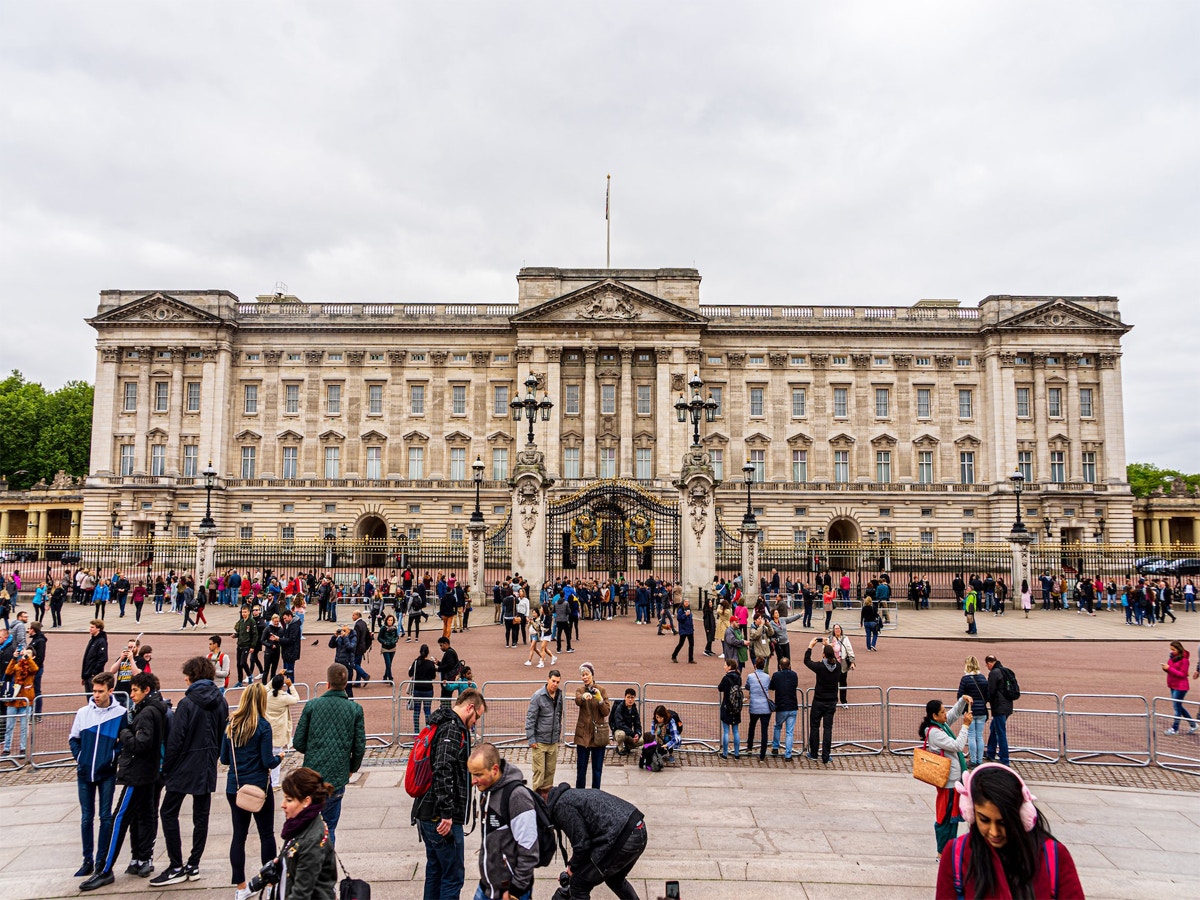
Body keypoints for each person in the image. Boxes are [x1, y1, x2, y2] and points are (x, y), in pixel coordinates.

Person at [935, 764, 1084, 899]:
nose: (994, 832)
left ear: (1022, 816)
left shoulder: (1055, 856)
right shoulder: (955, 855)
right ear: (971, 813)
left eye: (1003, 822)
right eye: (984, 820)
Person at [83, 671, 169, 890]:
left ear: (146, 690)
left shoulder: (148, 712)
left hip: (138, 774)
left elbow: (142, 743)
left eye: (134, 691)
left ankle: (105, 868)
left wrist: (125, 734)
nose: (131, 695)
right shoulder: (154, 709)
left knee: (118, 819)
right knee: (144, 815)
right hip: (147, 773)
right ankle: (141, 858)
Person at [150, 656, 228, 886]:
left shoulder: (187, 702)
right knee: (201, 816)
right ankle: (194, 864)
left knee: (167, 812)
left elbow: (176, 739)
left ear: (192, 676)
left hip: (185, 763)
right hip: (206, 763)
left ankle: (176, 865)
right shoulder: (221, 701)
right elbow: (222, 732)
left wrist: (168, 768)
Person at [412, 689, 487, 900]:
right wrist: (446, 812)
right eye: (477, 717)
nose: (475, 723)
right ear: (470, 707)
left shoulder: (440, 722)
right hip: (441, 816)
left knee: (435, 871)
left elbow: (446, 766)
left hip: (427, 810)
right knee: (453, 876)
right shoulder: (453, 729)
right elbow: (443, 767)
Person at [291, 663, 366, 846]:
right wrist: (352, 768)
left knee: (308, 824)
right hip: (337, 774)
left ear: (327, 683)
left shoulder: (312, 706)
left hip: (312, 775)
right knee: (329, 826)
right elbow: (359, 747)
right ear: (346, 683)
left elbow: (298, 742)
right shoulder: (355, 709)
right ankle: (326, 866)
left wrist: (314, 750)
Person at [220, 682, 281, 900]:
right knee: (266, 835)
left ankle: (240, 887)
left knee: (239, 836)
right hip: (258, 787)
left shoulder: (232, 723)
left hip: (235, 786)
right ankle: (271, 881)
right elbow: (268, 761)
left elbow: (225, 758)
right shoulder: (263, 726)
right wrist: (279, 758)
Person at [546, 784, 647, 900]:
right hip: (637, 827)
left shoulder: (561, 807)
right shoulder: (571, 796)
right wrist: (572, 865)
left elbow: (582, 845)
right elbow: (587, 842)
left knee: (579, 885)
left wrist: (572, 869)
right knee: (615, 879)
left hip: (622, 836)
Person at [70, 673, 127, 879]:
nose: (95, 695)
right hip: (84, 772)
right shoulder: (83, 712)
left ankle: (101, 859)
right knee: (86, 818)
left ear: (110, 691)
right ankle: (87, 859)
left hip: (106, 773)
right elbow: (73, 739)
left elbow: (122, 742)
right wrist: (80, 758)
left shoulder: (120, 713)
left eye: (100, 691)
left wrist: (112, 756)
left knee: (105, 817)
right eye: (94, 691)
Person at [469, 742, 540, 900]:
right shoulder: (486, 792)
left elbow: (529, 850)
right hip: (487, 887)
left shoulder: (517, 797)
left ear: (494, 769)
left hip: (510, 892)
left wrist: (515, 891)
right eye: (471, 774)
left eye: (478, 774)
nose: (473, 781)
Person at [919, 696, 971, 856]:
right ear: (935, 716)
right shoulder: (935, 733)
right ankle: (943, 851)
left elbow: (953, 714)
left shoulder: (939, 725)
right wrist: (966, 726)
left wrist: (962, 701)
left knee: (951, 818)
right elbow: (957, 745)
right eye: (942, 712)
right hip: (948, 780)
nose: (945, 714)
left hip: (952, 780)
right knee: (946, 817)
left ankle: (948, 849)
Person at [278, 767, 339, 900]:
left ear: (306, 801)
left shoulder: (311, 839)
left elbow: (301, 894)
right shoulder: (299, 825)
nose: (282, 805)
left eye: (289, 800)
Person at [525, 669, 565, 797]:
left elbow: (559, 715)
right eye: (553, 681)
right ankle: (536, 800)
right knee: (539, 773)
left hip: (553, 741)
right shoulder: (538, 696)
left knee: (550, 773)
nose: (555, 684)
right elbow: (530, 718)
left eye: (557, 682)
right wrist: (531, 739)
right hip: (540, 742)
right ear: (548, 679)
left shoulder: (559, 696)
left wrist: (558, 734)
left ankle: (546, 800)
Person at [573, 663, 611, 789]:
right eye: (583, 675)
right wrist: (583, 697)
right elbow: (578, 700)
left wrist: (600, 699)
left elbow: (606, 712)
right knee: (581, 770)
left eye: (587, 674)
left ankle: (596, 795)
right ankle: (579, 796)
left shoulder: (601, 690)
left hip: (598, 735)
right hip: (583, 736)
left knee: (597, 771)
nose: (585, 677)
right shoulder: (580, 690)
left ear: (592, 675)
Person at [804, 637, 841, 764]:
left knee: (815, 726)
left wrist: (810, 646)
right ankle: (826, 755)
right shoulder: (838, 667)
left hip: (819, 700)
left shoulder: (820, 667)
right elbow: (834, 660)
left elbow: (807, 661)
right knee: (828, 729)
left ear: (824, 654)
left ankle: (814, 753)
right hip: (831, 702)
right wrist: (828, 647)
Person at [265, 674, 300, 788]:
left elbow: (265, 688)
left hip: (268, 729)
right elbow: (296, 699)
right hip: (279, 730)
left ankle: (265, 780)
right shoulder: (284, 697)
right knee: (277, 757)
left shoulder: (267, 695)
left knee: (265, 755)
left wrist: (274, 679)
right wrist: (291, 686)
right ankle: (274, 783)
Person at [2, 646, 37, 757]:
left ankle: (23, 748)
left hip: (26, 699)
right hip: (14, 698)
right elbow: (8, 672)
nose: (25, 654)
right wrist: (13, 658)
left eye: (29, 653)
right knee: (9, 725)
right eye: (25, 653)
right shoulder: (18, 665)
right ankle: (7, 749)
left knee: (23, 726)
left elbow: (35, 669)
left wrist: (28, 658)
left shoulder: (31, 666)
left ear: (33, 656)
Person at [957, 656, 990, 767]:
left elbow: (960, 696)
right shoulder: (982, 678)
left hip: (970, 711)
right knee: (979, 736)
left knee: (971, 736)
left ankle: (973, 760)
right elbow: (987, 695)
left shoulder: (965, 679)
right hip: (982, 711)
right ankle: (980, 760)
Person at [1162, 640, 1198, 735]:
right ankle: (1193, 724)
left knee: (1177, 708)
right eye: (1171, 649)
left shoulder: (1185, 660)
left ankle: (1175, 728)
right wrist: (1166, 669)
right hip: (1173, 685)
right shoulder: (1172, 658)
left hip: (1181, 686)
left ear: (1179, 649)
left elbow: (1182, 674)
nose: (1171, 651)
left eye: (1173, 650)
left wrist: (1169, 668)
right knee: (1179, 707)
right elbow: (1172, 670)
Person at [983, 655, 1013, 766]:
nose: (987, 667)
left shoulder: (994, 673)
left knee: (1000, 732)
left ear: (990, 663)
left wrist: (985, 701)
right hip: (1007, 706)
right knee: (994, 728)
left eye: (987, 665)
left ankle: (1004, 759)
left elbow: (991, 690)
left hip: (999, 707)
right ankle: (990, 752)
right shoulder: (1005, 671)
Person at [769, 656, 800, 761]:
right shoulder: (794, 675)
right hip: (792, 706)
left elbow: (771, 686)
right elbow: (795, 685)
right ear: (789, 666)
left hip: (781, 706)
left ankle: (775, 747)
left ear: (780, 666)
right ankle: (788, 754)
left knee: (777, 726)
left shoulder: (776, 675)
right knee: (789, 732)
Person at [745, 656, 772, 761]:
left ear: (755, 665)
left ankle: (750, 746)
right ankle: (762, 754)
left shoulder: (751, 676)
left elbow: (747, 686)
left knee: (752, 726)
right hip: (765, 707)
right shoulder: (767, 676)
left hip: (755, 706)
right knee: (764, 731)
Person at [408, 643, 437, 735]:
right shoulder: (430, 664)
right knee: (427, 711)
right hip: (428, 689)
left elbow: (410, 673)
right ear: (428, 653)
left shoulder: (416, 662)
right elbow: (433, 676)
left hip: (417, 689)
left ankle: (416, 732)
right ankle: (428, 731)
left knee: (416, 711)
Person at [717, 658, 742, 759]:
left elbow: (720, 688)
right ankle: (736, 753)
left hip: (727, 706)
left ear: (729, 667)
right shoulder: (738, 677)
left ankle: (725, 753)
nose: (724, 667)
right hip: (736, 706)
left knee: (726, 731)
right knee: (736, 731)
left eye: (725, 665)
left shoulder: (726, 678)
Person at [827, 623, 855, 707]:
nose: (837, 630)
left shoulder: (845, 639)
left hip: (842, 663)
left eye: (838, 628)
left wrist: (852, 662)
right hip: (832, 663)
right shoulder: (830, 639)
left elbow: (849, 650)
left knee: (843, 682)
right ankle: (833, 701)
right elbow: (825, 650)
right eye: (836, 629)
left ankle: (844, 701)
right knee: (833, 683)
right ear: (833, 630)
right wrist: (829, 646)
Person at [234, 606, 259, 688]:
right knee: (238, 664)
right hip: (240, 644)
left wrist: (252, 646)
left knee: (243, 662)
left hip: (247, 645)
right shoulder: (241, 621)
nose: (243, 614)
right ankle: (239, 681)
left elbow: (255, 635)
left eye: (245, 612)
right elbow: (239, 632)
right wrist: (235, 635)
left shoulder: (251, 622)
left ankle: (249, 675)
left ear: (248, 612)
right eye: (242, 612)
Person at [80, 619, 108, 691]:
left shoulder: (101, 641)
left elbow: (103, 658)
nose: (90, 629)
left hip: (93, 676)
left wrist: (94, 672)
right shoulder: (92, 640)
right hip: (88, 675)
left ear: (98, 628)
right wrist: (84, 676)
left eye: (92, 627)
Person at [670, 597, 695, 663]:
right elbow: (679, 619)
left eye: (688, 602)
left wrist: (692, 627)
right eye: (685, 602)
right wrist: (685, 615)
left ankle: (690, 659)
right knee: (681, 644)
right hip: (683, 629)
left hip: (690, 629)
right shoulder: (681, 610)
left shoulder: (689, 609)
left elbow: (690, 619)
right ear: (683, 603)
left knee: (691, 644)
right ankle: (674, 656)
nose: (687, 603)